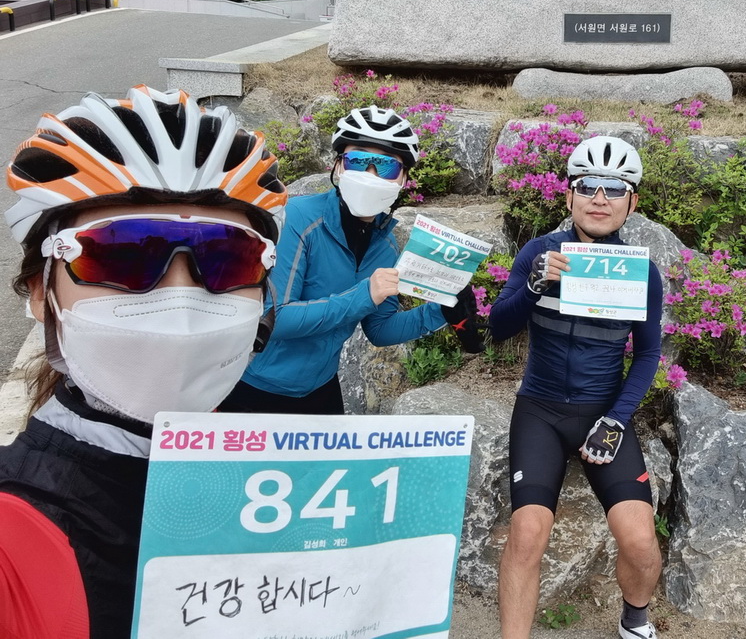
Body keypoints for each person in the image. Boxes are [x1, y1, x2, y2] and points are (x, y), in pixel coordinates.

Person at [0, 85, 287, 638]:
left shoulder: (283, 485)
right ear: (41, 292)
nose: (182, 303)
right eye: (121, 254)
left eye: (228, 259)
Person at [489, 135, 664, 639]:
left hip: (603, 410)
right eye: (588, 186)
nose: (600, 199)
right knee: (527, 533)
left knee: (640, 541)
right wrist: (533, 286)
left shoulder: (641, 273)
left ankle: (635, 619)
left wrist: (616, 420)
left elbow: (647, 354)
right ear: (569, 196)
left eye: (615, 189)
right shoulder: (538, 253)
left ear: (632, 202)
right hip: (539, 410)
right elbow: (497, 328)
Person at [219, 104, 479, 416]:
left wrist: (440, 310)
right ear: (339, 166)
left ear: (404, 179)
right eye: (357, 161)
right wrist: (364, 294)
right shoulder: (298, 219)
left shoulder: (384, 246)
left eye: (386, 166)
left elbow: (380, 330)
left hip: (321, 389)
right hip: (252, 389)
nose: (370, 176)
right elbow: (276, 319)